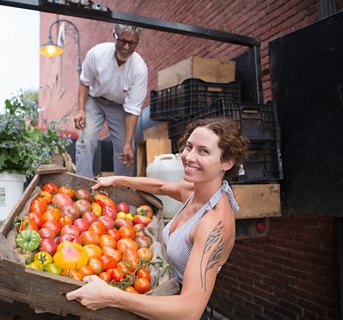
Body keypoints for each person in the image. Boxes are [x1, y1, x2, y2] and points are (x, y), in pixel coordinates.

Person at [66, 118, 249, 320]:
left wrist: (112, 296)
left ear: (227, 162)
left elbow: (190, 311)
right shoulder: (195, 189)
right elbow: (160, 187)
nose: (189, 157)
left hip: (173, 309)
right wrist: (118, 179)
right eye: (189, 147)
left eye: (203, 151)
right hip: (161, 292)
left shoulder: (213, 223)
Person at [74, 24, 148, 178]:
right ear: (114, 35)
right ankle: (82, 184)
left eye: (132, 43)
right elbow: (84, 82)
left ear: (138, 42)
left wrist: (128, 143)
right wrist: (80, 109)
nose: (126, 47)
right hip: (95, 100)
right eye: (122, 41)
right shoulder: (97, 54)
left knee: (126, 149)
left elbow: (133, 110)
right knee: (86, 140)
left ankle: (122, 188)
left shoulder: (139, 69)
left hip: (120, 106)